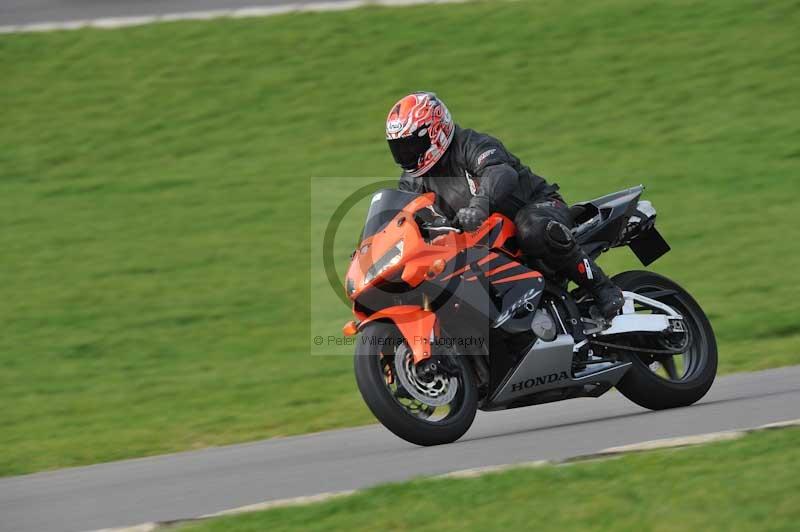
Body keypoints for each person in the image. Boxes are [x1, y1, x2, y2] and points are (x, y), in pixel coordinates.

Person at [386, 91, 624, 319]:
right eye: (400, 148)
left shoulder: (471, 144)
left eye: (411, 145)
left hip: (538, 206)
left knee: (532, 228)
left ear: (436, 131)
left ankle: (603, 289)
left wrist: (480, 205)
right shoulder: (412, 182)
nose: (407, 154)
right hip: (481, 240)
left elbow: (500, 172)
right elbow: (403, 218)